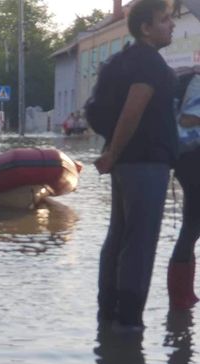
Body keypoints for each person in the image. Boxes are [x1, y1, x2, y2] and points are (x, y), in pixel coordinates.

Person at [94, 0, 177, 332]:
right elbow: (133, 110)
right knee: (140, 243)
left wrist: (114, 154)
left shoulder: (122, 59)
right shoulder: (149, 63)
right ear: (147, 28)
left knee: (119, 237)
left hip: (127, 163)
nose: (172, 25)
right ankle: (129, 323)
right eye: (166, 19)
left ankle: (108, 314)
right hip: (144, 163)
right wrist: (113, 152)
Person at [168, 71, 200, 309]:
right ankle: (181, 296)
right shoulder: (197, 82)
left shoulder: (191, 80)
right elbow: (188, 119)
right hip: (192, 157)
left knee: (193, 223)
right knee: (193, 224)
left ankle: (185, 293)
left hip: (187, 157)